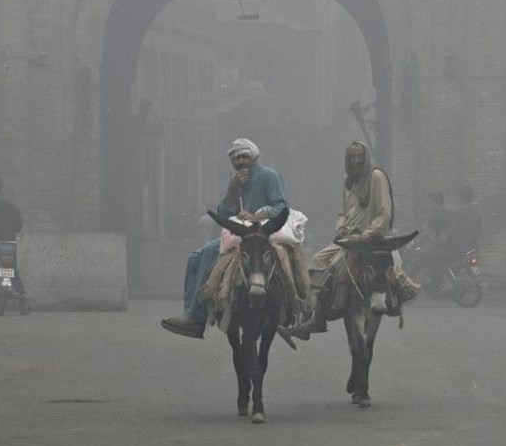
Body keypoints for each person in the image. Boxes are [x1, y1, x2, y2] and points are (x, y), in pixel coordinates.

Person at [284, 141, 418, 340]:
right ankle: (314, 317)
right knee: (317, 261)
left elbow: (385, 212)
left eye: (359, 157)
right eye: (352, 157)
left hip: (373, 238)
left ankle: (395, 298)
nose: (356, 161)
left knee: (387, 267)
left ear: (366, 157)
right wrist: (340, 228)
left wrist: (369, 232)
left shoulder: (377, 177)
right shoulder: (348, 182)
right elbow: (343, 212)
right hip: (349, 238)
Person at [161, 138, 287, 339]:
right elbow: (224, 212)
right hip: (240, 232)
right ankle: (194, 315)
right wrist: (232, 189)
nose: (241, 161)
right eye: (236, 158)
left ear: (253, 157)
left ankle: (294, 308)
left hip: (263, 233)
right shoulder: (235, 180)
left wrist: (257, 215)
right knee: (195, 257)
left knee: (212, 251)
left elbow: (280, 206)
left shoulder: (268, 176)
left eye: (245, 156)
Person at [450, 185, 482, 252]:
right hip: (473, 247)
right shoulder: (477, 213)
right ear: (472, 197)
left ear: (460, 197)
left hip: (458, 248)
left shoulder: (456, 213)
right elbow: (479, 231)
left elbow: (452, 230)